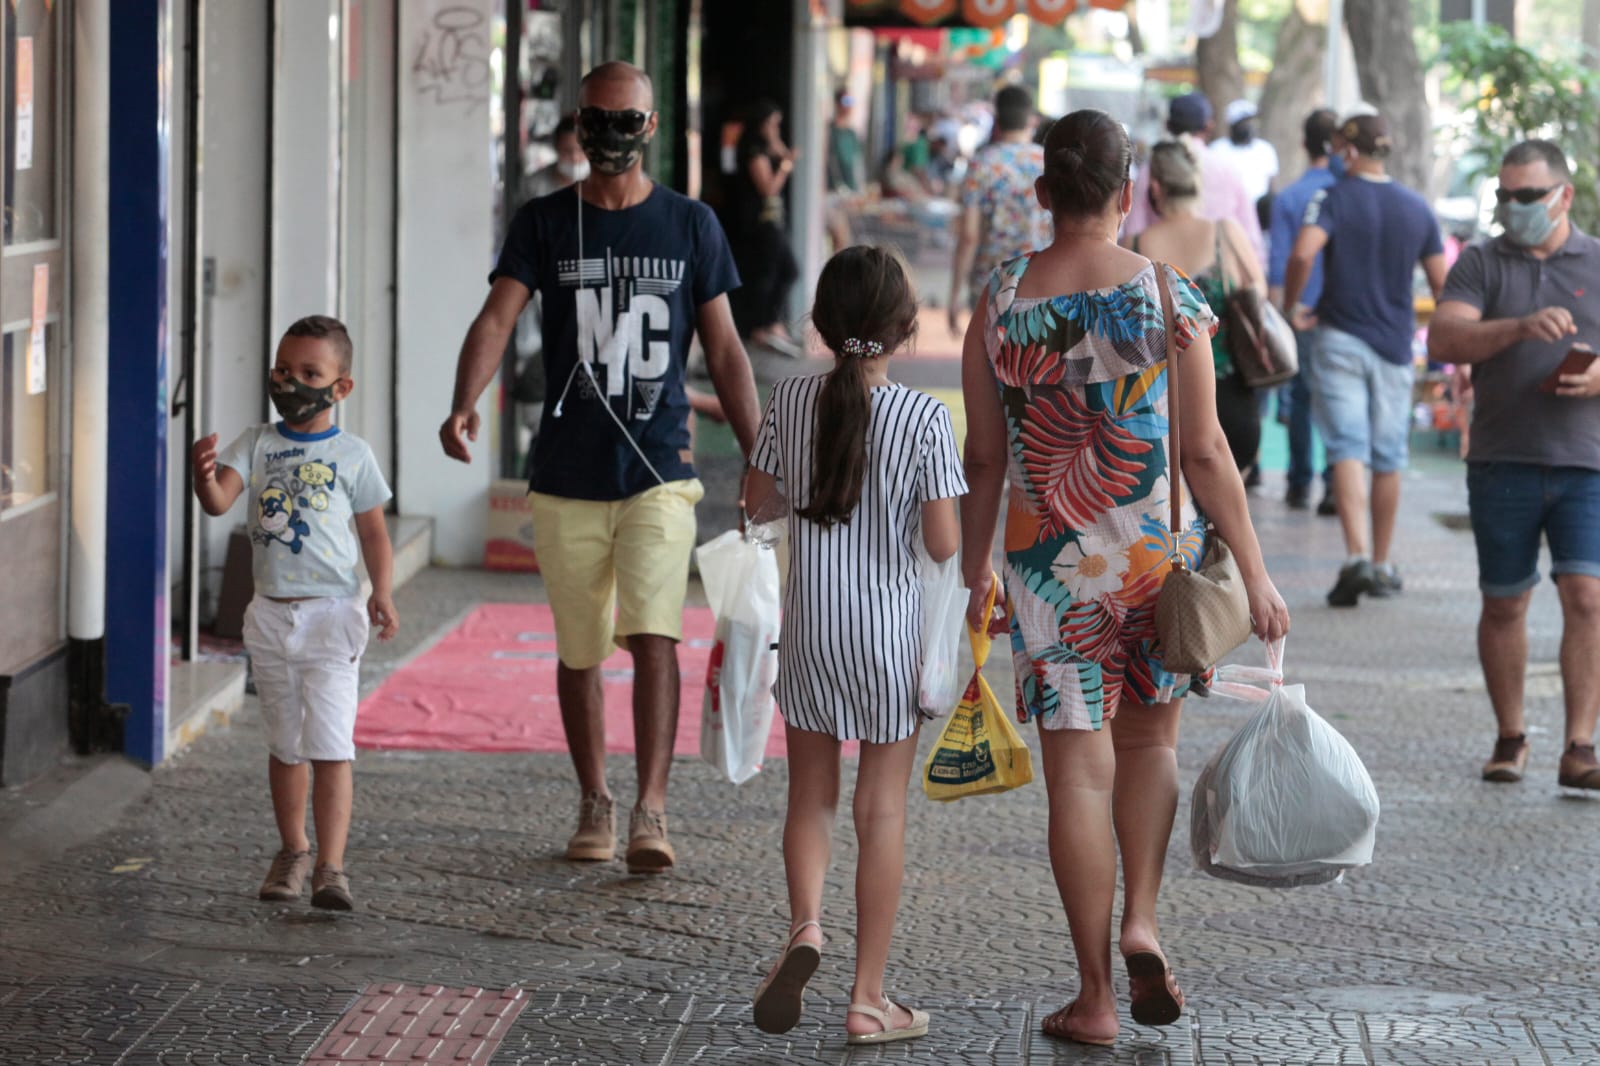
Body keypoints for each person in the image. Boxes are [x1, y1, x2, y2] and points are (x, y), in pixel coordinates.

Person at [961, 109, 1289, 1047]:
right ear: (1126, 190)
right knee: (1149, 750)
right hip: (1150, 561)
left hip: (1047, 572)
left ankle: (1095, 994)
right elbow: (1209, 451)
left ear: (1042, 193)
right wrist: (1257, 576)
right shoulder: (1166, 294)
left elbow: (985, 459)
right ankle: (1143, 918)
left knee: (1077, 775)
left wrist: (972, 571)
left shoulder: (1002, 298)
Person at [439, 61, 761, 874]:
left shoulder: (692, 226)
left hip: (660, 467)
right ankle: (595, 798)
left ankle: (651, 808)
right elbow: (497, 318)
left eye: (628, 120)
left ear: (652, 129)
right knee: (580, 649)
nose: (612, 135)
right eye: (598, 119)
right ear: (577, 125)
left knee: (655, 633)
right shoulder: (544, 222)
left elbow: (724, 347)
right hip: (567, 474)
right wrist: (462, 400)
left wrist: (763, 451)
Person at [745, 246, 966, 1045]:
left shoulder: (791, 399)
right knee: (881, 811)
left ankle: (806, 926)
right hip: (888, 638)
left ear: (822, 325)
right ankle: (868, 1001)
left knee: (811, 797)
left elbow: (757, 500)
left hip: (809, 631)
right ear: (906, 331)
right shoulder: (926, 418)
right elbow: (943, 545)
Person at [191, 315, 399, 911]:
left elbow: (375, 534)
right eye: (284, 369)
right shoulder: (255, 443)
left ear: (341, 387)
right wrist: (202, 475)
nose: (291, 381)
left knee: (332, 745)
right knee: (286, 744)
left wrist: (380, 590)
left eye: (310, 373)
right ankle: (293, 851)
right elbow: (218, 501)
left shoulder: (353, 455)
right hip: (270, 617)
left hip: (333, 615)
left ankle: (331, 868)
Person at [1427, 139, 1600, 791]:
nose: (1514, 206)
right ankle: (1511, 735)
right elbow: (1445, 338)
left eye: (1528, 195)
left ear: (1564, 196)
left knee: (1587, 596)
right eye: (1505, 195)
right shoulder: (1479, 262)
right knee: (1505, 603)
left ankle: (1581, 747)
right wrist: (1519, 327)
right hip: (1502, 459)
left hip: (1587, 463)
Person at [1282, 112, 1447, 607]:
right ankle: (1380, 562)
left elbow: (1302, 253)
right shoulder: (1417, 208)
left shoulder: (1332, 198)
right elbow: (1443, 285)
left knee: (1348, 447)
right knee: (1389, 455)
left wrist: (1292, 307)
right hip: (1395, 347)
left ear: (1349, 150)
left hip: (1339, 338)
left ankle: (1354, 556)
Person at [1124, 140, 1267, 474]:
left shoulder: (1135, 247)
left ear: (1155, 187)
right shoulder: (1226, 234)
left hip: (1162, 409)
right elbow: (1257, 295)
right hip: (1231, 402)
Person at [1268, 108, 1340, 513]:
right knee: (1334, 397)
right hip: (1340, 312)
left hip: (1301, 308)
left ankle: (1298, 483)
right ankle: (1334, 484)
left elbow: (1281, 261)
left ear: (1303, 143)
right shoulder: (1345, 193)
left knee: (1299, 395)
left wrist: (1284, 311)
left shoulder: (1290, 197)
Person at [947, 85, 1052, 338]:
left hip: (990, 281)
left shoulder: (981, 164)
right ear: (1031, 120)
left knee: (990, 365)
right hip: (1041, 278)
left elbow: (970, 235)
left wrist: (954, 294)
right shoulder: (1047, 162)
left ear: (997, 120)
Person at [1123, 92, 1264, 263]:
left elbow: (1134, 229)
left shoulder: (1152, 168)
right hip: (1220, 275)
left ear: (1168, 125)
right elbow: (1250, 234)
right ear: (1209, 126)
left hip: (1162, 276)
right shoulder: (1228, 168)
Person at [730, 99, 803, 357]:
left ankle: (772, 323)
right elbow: (768, 188)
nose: (775, 128)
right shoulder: (752, 149)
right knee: (772, 273)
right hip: (761, 222)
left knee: (786, 271)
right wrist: (784, 167)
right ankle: (761, 325)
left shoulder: (765, 146)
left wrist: (777, 142)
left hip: (773, 220)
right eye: (772, 124)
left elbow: (785, 154)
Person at [1207, 99, 1278, 207]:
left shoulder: (1265, 149)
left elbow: (1271, 184)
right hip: (1226, 211)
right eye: (1244, 123)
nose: (1249, 126)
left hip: (1258, 212)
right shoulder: (1217, 149)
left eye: (1251, 122)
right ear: (1232, 125)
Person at [824, 89, 862, 253]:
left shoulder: (851, 133)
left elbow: (856, 164)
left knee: (847, 240)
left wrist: (859, 190)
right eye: (846, 102)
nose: (849, 107)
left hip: (850, 193)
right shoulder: (829, 130)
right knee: (839, 238)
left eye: (851, 102)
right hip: (832, 192)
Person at [522, 115, 587, 203]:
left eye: (581, 150)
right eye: (567, 151)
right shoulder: (534, 185)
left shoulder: (602, 185)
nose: (575, 158)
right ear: (556, 148)